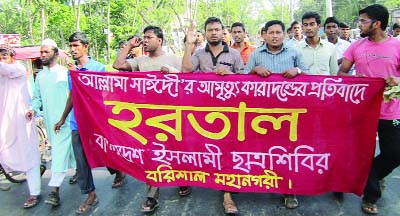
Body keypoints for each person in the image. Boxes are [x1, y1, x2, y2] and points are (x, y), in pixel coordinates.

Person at [113, 26, 186, 213]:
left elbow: (189, 80)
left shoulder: (174, 59)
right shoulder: (140, 61)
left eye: (149, 37)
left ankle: (183, 180)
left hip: (173, 115)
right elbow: (118, 65)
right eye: (143, 37)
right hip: (148, 118)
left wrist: (172, 71)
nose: (145, 40)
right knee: (151, 155)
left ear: (159, 40)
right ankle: (152, 196)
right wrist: (129, 46)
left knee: (176, 150)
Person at [338, 4, 400, 214]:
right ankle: (370, 196)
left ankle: (373, 176)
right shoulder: (356, 46)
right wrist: (354, 79)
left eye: (363, 21)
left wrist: (396, 79)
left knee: (394, 154)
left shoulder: (397, 46)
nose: (360, 24)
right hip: (362, 111)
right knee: (363, 154)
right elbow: (341, 73)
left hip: (392, 111)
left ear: (377, 23)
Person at [54, 32, 125, 214]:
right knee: (81, 160)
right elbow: (73, 95)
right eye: (71, 46)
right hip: (77, 122)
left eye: (76, 46)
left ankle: (117, 170)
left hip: (96, 120)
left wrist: (77, 75)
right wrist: (63, 118)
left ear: (86, 47)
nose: (73, 49)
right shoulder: (71, 70)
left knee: (105, 150)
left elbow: (99, 93)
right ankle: (90, 194)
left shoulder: (98, 68)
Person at [181, 17, 244, 215]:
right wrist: (189, 45)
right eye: (210, 30)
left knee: (228, 151)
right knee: (207, 149)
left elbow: (246, 82)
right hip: (204, 113)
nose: (214, 33)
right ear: (205, 33)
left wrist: (230, 76)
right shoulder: (199, 54)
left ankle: (227, 195)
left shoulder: (234, 54)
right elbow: (186, 71)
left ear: (222, 32)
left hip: (230, 113)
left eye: (217, 29)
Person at [244, 20, 309, 209]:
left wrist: (297, 70)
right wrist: (254, 70)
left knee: (288, 151)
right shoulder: (256, 54)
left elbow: (310, 76)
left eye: (278, 32)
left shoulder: (294, 53)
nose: (274, 36)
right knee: (263, 149)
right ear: (265, 35)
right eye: (270, 32)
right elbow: (242, 81)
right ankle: (261, 182)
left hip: (290, 113)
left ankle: (289, 190)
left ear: (284, 34)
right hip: (262, 114)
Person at [28, 39, 76, 206]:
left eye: (46, 52)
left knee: (59, 153)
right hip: (50, 123)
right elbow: (37, 98)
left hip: (66, 121)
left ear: (56, 53)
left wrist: (64, 117)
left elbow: (73, 96)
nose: (42, 55)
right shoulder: (40, 76)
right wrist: (32, 109)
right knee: (71, 153)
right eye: (41, 52)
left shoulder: (65, 73)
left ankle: (54, 190)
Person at [0, 44, 42, 208]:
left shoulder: (17, 69)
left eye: (4, 57)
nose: (2, 60)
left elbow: (4, 69)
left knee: (27, 155)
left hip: (21, 120)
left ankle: (35, 193)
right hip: (5, 123)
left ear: (12, 58)